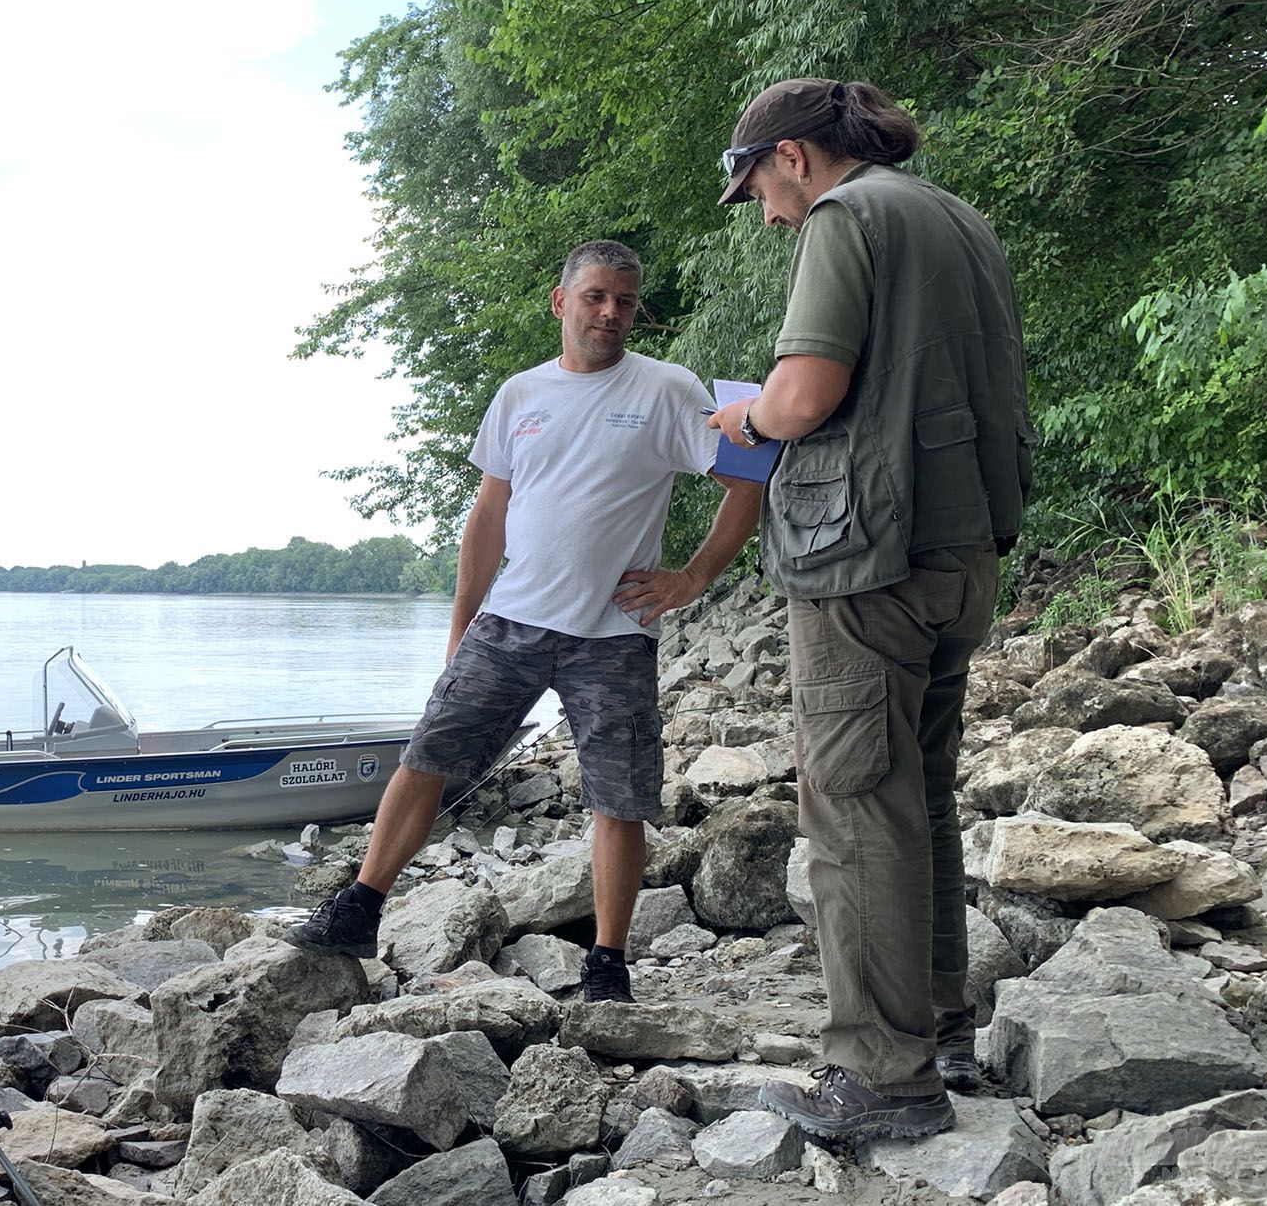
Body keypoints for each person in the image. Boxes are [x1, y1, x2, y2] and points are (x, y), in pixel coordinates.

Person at [290, 239, 765, 1002]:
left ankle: (608, 966)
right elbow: (489, 512)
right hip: (510, 622)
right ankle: (360, 905)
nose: (610, 313)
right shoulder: (520, 395)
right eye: (596, 297)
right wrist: (461, 625)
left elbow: (748, 476)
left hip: (613, 634)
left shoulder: (666, 388)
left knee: (619, 798)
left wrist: (693, 577)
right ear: (562, 301)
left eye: (624, 302)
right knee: (426, 756)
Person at [708, 78, 1033, 1141]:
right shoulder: (956, 217)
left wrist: (742, 410)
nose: (763, 211)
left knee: (853, 807)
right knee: (918, 795)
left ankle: (882, 1081)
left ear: (792, 155)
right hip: (962, 548)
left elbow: (803, 396)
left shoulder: (847, 217)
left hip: (867, 562)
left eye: (756, 184)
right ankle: (937, 1030)